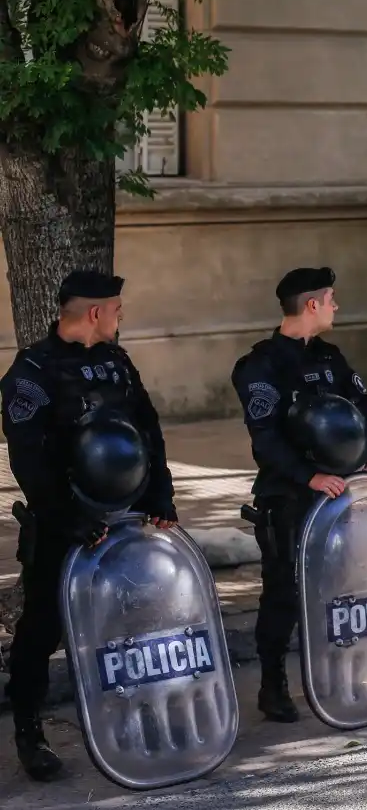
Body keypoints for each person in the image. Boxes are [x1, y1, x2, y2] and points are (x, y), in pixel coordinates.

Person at [2, 270, 178, 781]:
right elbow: (29, 462)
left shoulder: (116, 363)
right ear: (96, 313)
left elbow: (148, 430)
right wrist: (70, 518)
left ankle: (133, 717)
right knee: (42, 628)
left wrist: (161, 494)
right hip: (65, 523)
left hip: (126, 517)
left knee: (135, 619)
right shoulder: (32, 372)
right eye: (117, 310)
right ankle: (29, 730)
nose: (121, 318)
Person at [231, 267, 367, 722]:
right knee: (283, 593)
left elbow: (362, 410)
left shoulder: (331, 357)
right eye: (332, 299)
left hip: (337, 496)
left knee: (339, 589)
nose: (337, 306)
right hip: (289, 497)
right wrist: (308, 477)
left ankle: (335, 674)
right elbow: (265, 438)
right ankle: (273, 685)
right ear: (311, 305)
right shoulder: (260, 366)